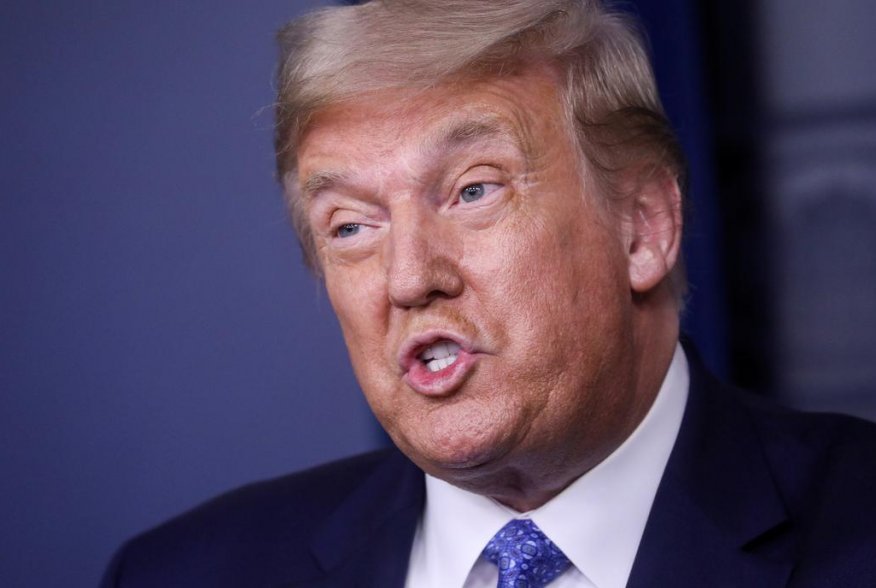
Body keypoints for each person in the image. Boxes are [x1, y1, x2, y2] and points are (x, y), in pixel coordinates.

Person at [101, 1, 876, 586]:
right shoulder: (181, 572)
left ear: (643, 228)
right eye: (349, 227)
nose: (409, 279)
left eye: (473, 191)